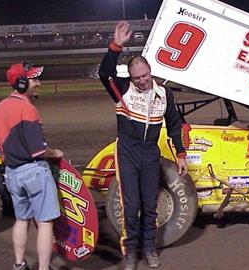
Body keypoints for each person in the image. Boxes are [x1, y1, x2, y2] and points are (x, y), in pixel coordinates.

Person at [99, 21, 188, 270]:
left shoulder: (164, 94)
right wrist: (116, 46)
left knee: (150, 205)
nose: (142, 81)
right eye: (137, 77)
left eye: (145, 76)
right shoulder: (123, 89)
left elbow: (173, 124)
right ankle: (130, 253)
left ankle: (150, 249)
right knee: (132, 206)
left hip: (150, 154)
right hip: (127, 152)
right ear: (131, 77)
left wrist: (180, 153)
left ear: (151, 72)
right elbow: (104, 73)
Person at [0, 62, 63, 270]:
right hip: (34, 172)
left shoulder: (0, 107)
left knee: (21, 219)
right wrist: (55, 153)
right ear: (22, 83)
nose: (38, 83)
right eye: (34, 79)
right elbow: (38, 151)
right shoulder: (28, 109)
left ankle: (19, 264)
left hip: (12, 173)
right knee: (45, 223)